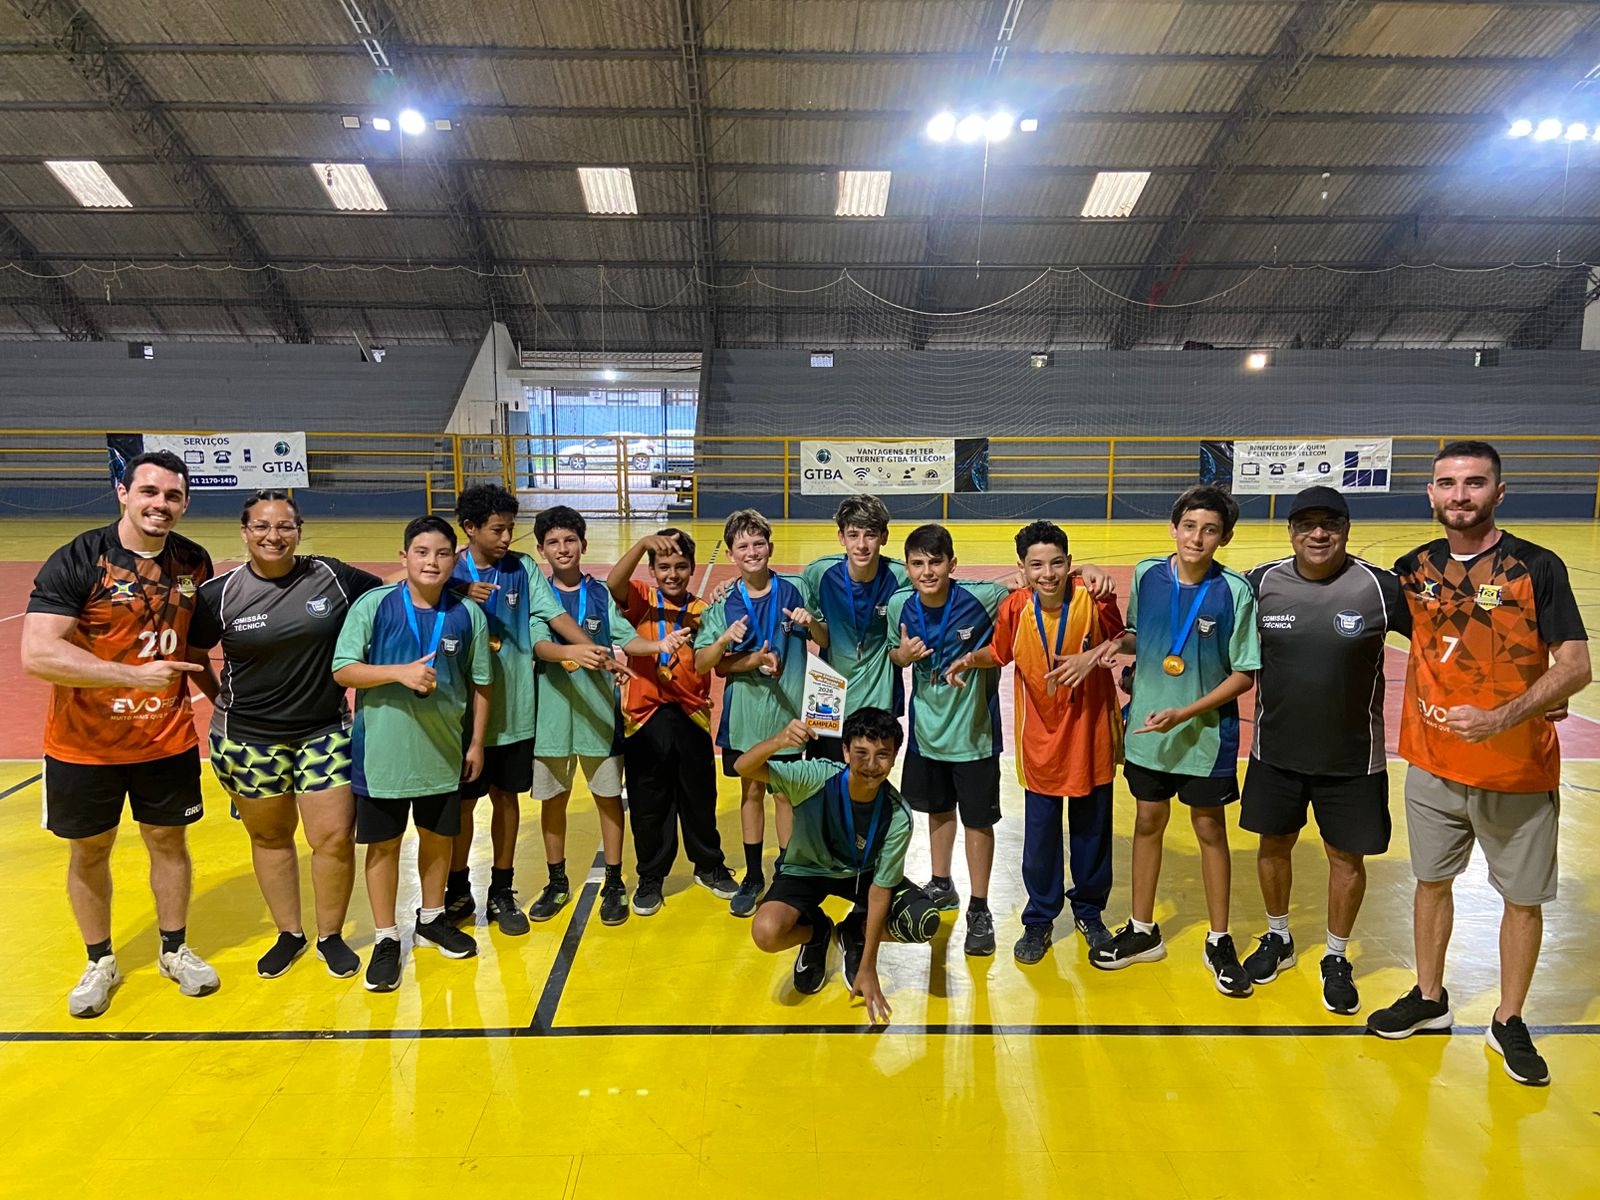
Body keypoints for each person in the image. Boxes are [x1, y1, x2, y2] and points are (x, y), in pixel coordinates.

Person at [1367, 441, 1590, 1087]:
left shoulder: (1536, 566)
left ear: (1499, 491)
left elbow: (1575, 666)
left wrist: (1507, 714)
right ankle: (1429, 997)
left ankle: (1509, 1019)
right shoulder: (1413, 569)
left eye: (1474, 482)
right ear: (1430, 494)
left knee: (1522, 899)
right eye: (1447, 483)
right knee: (1430, 883)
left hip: (1516, 771)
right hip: (1432, 765)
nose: (1459, 495)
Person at [22, 450, 220, 1017]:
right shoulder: (79, 558)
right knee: (90, 851)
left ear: (185, 503)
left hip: (166, 740)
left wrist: (223, 701)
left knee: (169, 844)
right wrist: (132, 675)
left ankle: (174, 949)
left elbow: (194, 645)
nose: (161, 504)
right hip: (83, 745)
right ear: (123, 493)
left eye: (173, 495)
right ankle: (100, 960)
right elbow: (37, 653)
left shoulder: (192, 561)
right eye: (150, 492)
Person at [187, 491, 383, 980]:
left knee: (333, 838)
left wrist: (459, 586)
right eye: (261, 526)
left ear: (298, 530)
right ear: (244, 532)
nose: (273, 536)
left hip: (324, 731)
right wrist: (220, 699)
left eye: (284, 526)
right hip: (247, 739)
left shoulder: (332, 576)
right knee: (271, 837)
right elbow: (194, 656)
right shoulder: (219, 594)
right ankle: (289, 933)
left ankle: (330, 936)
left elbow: (392, 596)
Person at [1236, 486, 1408, 1014]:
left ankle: (1336, 955)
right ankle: (1278, 937)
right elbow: (1203, 627)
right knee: (1273, 846)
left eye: (1329, 524)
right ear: (1290, 532)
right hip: (1275, 752)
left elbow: (1442, 641)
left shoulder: (1381, 588)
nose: (1318, 534)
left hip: (1353, 759)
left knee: (1345, 858)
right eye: (1306, 524)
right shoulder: (1259, 584)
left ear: (1346, 530)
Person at [1090, 485, 1261, 997]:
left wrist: (1184, 712)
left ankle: (1219, 939)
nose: (1197, 538)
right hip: (1148, 731)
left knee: (1209, 829)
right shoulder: (1147, 574)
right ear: (1173, 528)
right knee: (1147, 821)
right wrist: (1111, 646)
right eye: (1189, 527)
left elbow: (1244, 674)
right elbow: (1139, 634)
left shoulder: (1234, 591)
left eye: (1210, 530)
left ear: (1225, 537)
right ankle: (1143, 930)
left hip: (1204, 734)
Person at [946, 521, 1126, 964]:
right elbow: (1000, 653)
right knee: (1041, 838)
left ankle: (1089, 912)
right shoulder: (1015, 607)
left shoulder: (1093, 597)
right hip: (1040, 741)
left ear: (1070, 563)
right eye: (1037, 565)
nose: (1048, 574)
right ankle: (1039, 920)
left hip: (1090, 736)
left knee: (1091, 832)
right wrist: (969, 659)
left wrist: (1092, 578)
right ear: (1022, 569)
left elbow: (1121, 639)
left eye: (1057, 563)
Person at [331, 515, 492, 993]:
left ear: (453, 560)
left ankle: (432, 917)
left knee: (437, 838)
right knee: (384, 845)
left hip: (442, 751)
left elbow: (481, 684)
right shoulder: (375, 605)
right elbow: (343, 669)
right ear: (404, 556)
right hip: (383, 754)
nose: (431, 562)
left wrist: (476, 742)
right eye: (421, 552)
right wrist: (398, 673)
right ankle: (386, 936)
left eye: (442, 554)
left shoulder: (468, 614)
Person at [526, 506, 688, 928]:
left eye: (570, 540)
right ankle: (556, 880)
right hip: (552, 719)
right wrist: (574, 651)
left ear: (584, 544)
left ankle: (614, 880)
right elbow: (540, 646)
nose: (563, 549)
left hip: (599, 716)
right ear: (541, 550)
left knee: (608, 798)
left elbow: (627, 639)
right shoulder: (539, 595)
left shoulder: (599, 594)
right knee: (554, 801)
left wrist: (658, 646)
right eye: (553, 542)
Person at [442, 485, 593, 936]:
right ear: (470, 528)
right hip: (460, 715)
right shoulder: (449, 569)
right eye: (498, 529)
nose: (507, 537)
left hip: (513, 712)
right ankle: (457, 888)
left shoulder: (522, 567)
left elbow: (554, 616)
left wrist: (593, 648)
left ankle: (501, 890)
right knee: (462, 806)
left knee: (505, 800)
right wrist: (458, 589)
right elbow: (411, 593)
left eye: (510, 528)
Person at [737, 709, 941, 1023]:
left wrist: (868, 965)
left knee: (922, 920)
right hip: (806, 871)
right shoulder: (816, 777)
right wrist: (778, 741)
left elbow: (880, 890)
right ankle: (816, 933)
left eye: (882, 755)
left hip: (862, 875)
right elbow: (743, 766)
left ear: (894, 757)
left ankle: (854, 932)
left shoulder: (897, 814)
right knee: (766, 933)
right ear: (845, 751)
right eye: (861, 753)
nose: (871, 765)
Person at [694, 508, 824, 916]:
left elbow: (824, 637)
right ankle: (753, 875)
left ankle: (786, 872)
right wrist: (729, 645)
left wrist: (810, 623)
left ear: (770, 546)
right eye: (742, 546)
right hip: (745, 717)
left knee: (784, 793)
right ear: (730, 554)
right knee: (750, 791)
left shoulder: (795, 590)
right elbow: (706, 664)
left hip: (788, 714)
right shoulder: (724, 602)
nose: (751, 552)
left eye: (758, 543)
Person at [606, 528, 738, 916]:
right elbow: (613, 583)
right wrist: (642, 544)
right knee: (648, 802)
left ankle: (709, 865)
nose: (672, 574)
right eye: (663, 566)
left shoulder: (704, 611)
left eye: (681, 566)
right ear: (651, 570)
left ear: (692, 568)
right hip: (644, 716)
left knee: (700, 797)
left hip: (692, 714)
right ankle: (651, 875)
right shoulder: (641, 599)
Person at [800, 496, 910, 762]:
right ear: (841, 537)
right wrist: (732, 587)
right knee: (826, 777)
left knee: (871, 774)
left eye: (870, 534)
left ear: (884, 537)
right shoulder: (819, 574)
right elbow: (774, 586)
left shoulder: (902, 577)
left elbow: (942, 587)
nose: (861, 545)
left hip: (878, 699)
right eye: (853, 535)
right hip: (829, 699)